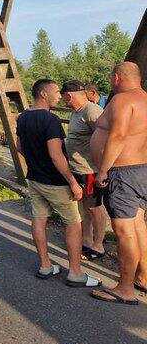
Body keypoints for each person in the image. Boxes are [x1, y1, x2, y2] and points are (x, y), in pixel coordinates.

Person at [16, 79, 100, 287]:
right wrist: (72, 180)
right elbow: (56, 155)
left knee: (39, 219)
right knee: (73, 223)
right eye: (55, 92)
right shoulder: (50, 120)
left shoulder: (23, 117)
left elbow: (19, 146)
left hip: (34, 179)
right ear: (43, 94)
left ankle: (45, 266)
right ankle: (75, 273)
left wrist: (35, 160)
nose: (59, 95)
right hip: (55, 181)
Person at [90, 62, 147, 305]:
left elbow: (118, 135)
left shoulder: (123, 100)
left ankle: (125, 288)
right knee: (137, 225)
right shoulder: (144, 99)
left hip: (123, 172)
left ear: (116, 78)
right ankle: (143, 278)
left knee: (123, 231)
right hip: (141, 170)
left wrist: (103, 170)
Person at [60, 80, 109, 260]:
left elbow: (105, 138)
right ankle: (87, 241)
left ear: (69, 95)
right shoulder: (76, 112)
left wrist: (102, 168)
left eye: (65, 98)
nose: (64, 102)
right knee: (85, 208)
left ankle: (99, 244)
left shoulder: (92, 111)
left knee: (95, 207)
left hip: (90, 170)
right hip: (78, 169)